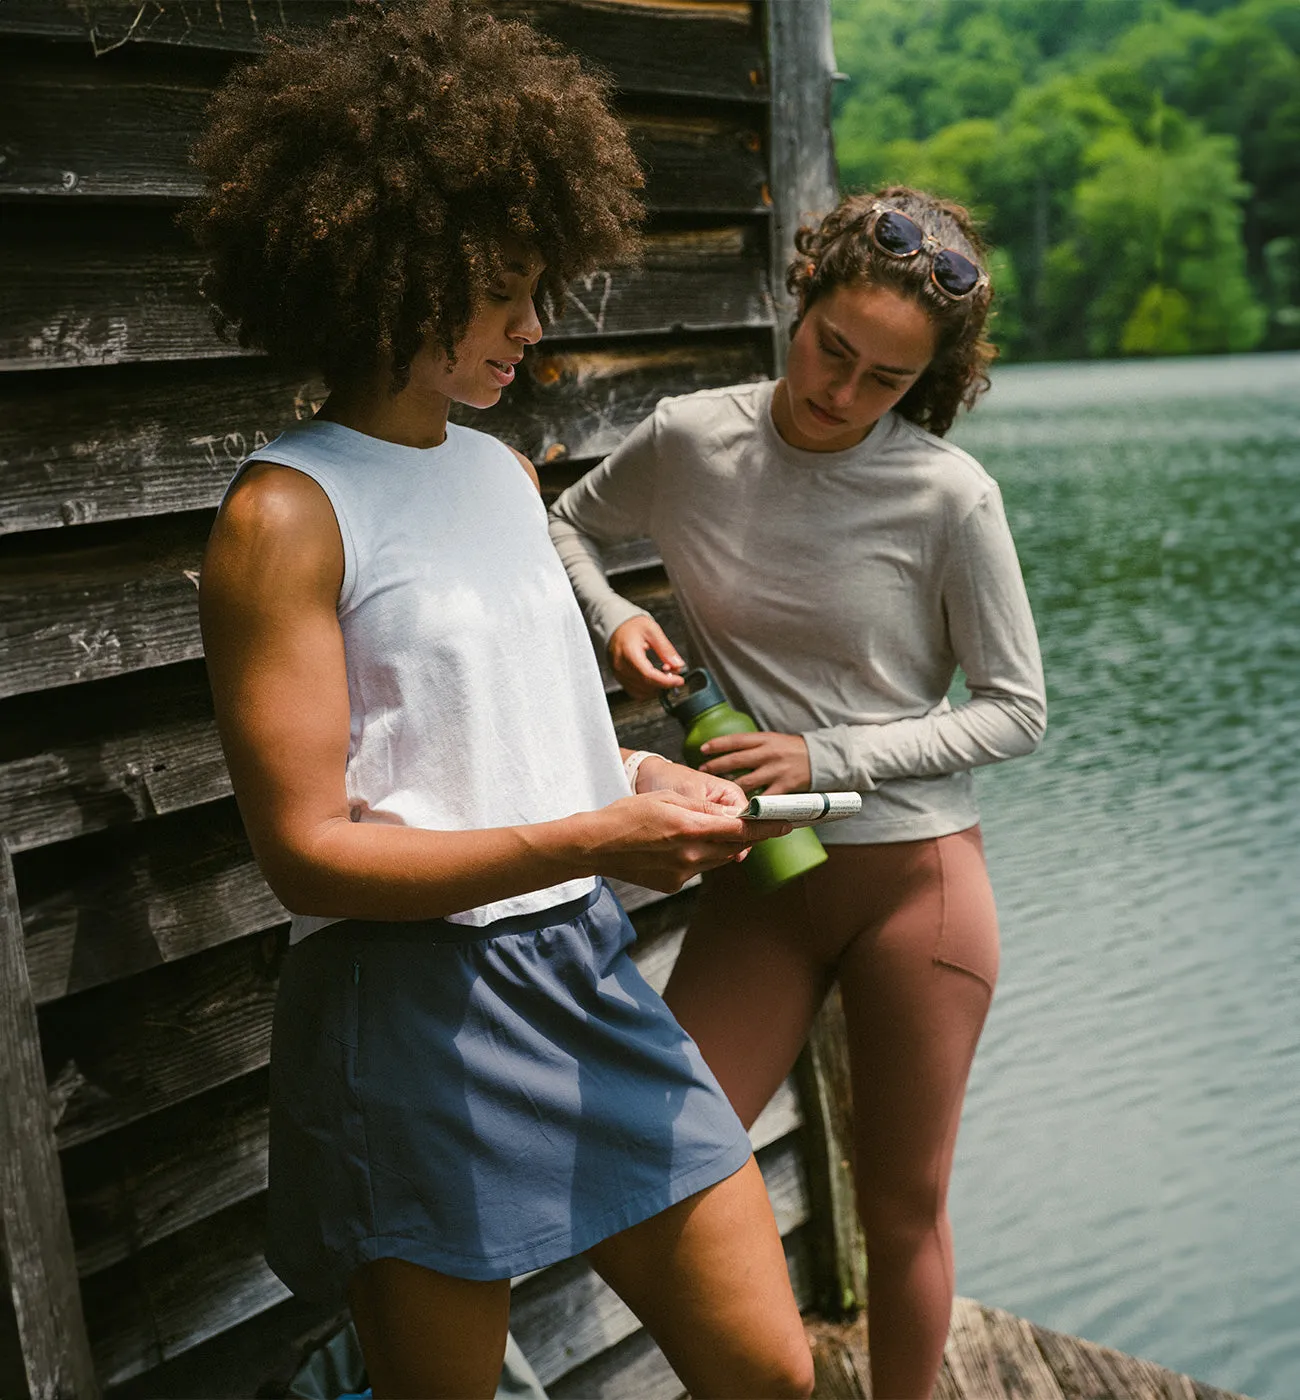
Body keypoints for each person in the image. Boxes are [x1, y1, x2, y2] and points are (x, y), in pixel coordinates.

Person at [188, 4, 814, 1396]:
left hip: (580, 971)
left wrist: (643, 790)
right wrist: (594, 839)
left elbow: (532, 754)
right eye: (508, 291)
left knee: (771, 1369)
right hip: (415, 1016)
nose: (536, 328)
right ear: (393, 274)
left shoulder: (501, 475)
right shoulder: (286, 516)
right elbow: (308, 858)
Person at [549, 185, 1047, 1399]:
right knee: (649, 1163)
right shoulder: (687, 437)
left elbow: (1017, 709)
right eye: (833, 348)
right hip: (763, 885)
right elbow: (562, 524)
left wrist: (828, 755)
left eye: (884, 378)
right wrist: (616, 617)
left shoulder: (947, 496)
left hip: (911, 887)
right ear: (803, 294)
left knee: (900, 1207)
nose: (841, 389)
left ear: (924, 384)